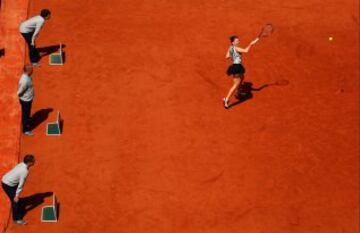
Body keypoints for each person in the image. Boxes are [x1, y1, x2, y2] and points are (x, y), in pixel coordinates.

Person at [223, 35, 259, 109]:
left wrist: (234, 55)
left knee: (242, 77)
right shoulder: (236, 48)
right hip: (237, 67)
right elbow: (246, 50)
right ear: (233, 42)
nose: (238, 41)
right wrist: (251, 44)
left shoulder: (230, 48)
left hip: (235, 66)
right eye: (236, 41)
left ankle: (238, 92)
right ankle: (226, 99)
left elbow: (226, 56)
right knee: (236, 84)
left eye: (238, 40)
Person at [2, 154, 36, 225]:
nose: (34, 161)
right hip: (7, 185)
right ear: (29, 162)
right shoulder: (25, 171)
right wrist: (16, 196)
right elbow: (21, 185)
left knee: (16, 199)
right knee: (15, 201)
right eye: (33, 161)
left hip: (7, 179)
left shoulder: (22, 164)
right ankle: (16, 219)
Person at [17, 65, 35, 136]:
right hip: (25, 100)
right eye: (31, 69)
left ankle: (27, 120)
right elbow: (19, 92)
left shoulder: (27, 77)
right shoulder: (25, 81)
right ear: (28, 71)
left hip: (28, 99)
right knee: (25, 114)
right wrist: (23, 96)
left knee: (27, 113)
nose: (33, 71)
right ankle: (25, 130)